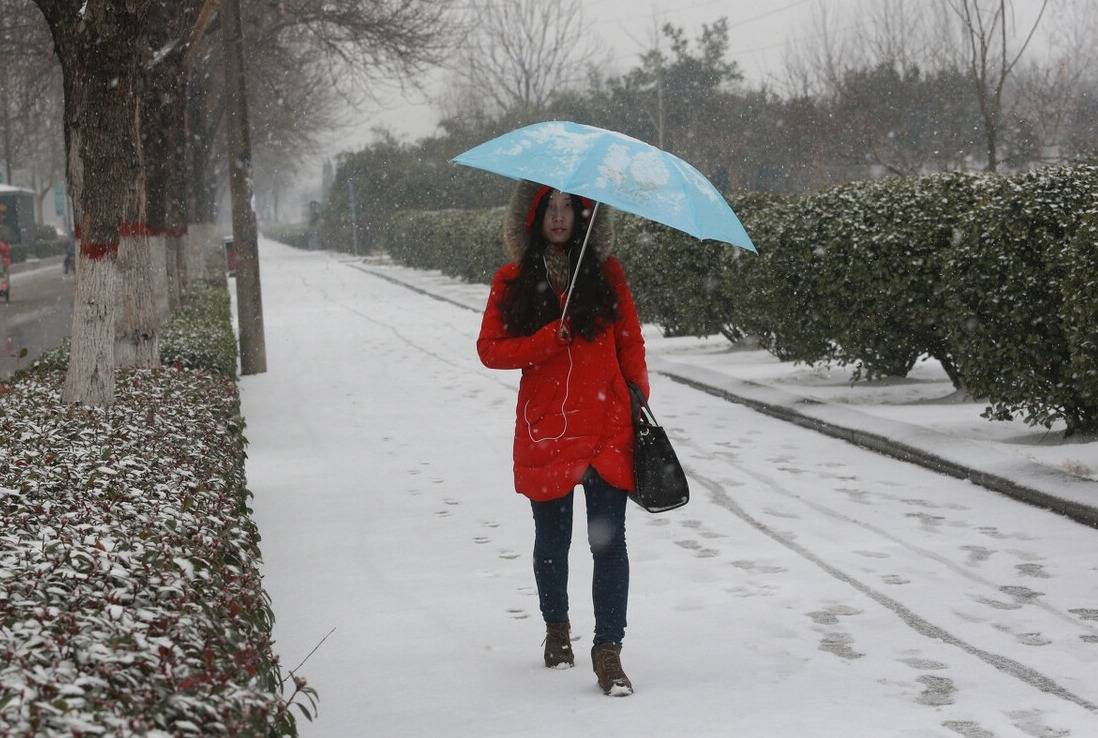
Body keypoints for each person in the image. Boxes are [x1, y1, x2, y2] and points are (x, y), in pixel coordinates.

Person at [477, 181, 649, 697]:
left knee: (608, 543)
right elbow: (490, 350)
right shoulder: (511, 280)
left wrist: (636, 390)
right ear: (532, 216)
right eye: (548, 207)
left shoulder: (606, 275)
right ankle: (557, 630)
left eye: (567, 207)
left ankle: (608, 650)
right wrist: (545, 341)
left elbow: (630, 338)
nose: (558, 217)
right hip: (547, 430)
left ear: (581, 214)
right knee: (552, 543)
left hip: (604, 427)